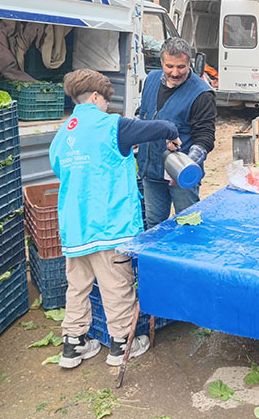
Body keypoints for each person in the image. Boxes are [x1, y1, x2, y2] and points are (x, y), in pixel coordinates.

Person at [49, 69, 180, 369]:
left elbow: (61, 169)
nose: (108, 105)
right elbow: (158, 127)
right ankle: (121, 345)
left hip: (75, 227)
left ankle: (73, 346)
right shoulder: (112, 125)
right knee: (116, 286)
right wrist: (172, 133)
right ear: (96, 97)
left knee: (77, 287)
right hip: (109, 227)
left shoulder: (63, 133)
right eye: (107, 100)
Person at [138, 37, 216, 229]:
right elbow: (143, 114)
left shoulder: (202, 93)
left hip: (181, 175)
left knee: (187, 224)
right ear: (162, 62)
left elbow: (205, 137)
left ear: (189, 62)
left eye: (181, 67)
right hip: (151, 171)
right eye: (170, 66)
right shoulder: (151, 80)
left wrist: (185, 167)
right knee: (154, 224)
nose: (175, 72)